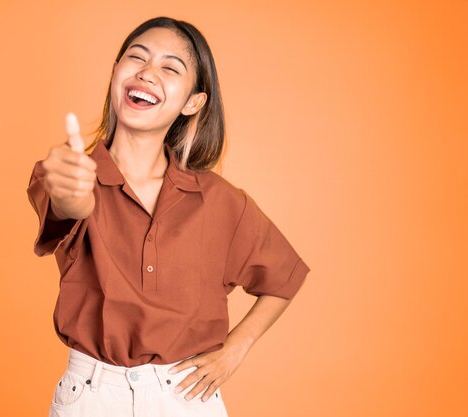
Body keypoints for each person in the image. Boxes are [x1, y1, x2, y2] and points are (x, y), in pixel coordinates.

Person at [27, 16, 310, 417]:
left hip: (185, 398)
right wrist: (70, 191)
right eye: (136, 58)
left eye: (169, 67)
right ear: (115, 73)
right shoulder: (68, 174)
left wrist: (234, 350)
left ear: (193, 101)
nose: (147, 72)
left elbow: (284, 278)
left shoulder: (220, 201)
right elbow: (66, 207)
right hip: (91, 397)